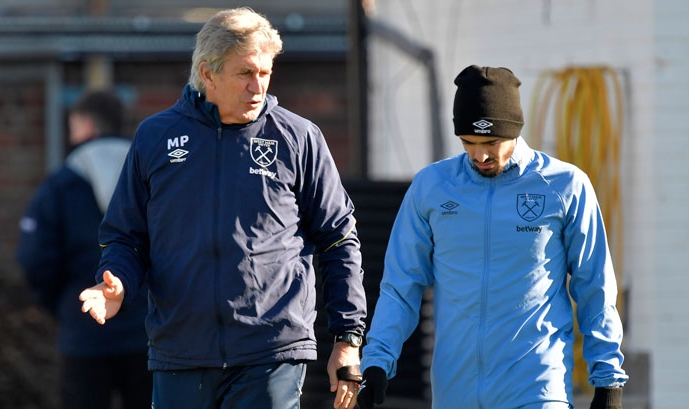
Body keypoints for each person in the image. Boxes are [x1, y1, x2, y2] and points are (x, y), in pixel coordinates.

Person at [77, 8, 367, 409]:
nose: (258, 86)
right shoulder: (155, 138)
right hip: (180, 353)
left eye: (265, 73)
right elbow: (126, 237)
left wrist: (348, 338)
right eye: (245, 73)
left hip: (271, 353)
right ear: (207, 74)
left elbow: (339, 240)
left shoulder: (298, 138)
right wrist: (119, 284)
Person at [357, 66, 628, 409]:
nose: (480, 155)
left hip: (537, 388)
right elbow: (401, 285)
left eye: (491, 142)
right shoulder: (431, 187)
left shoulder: (565, 186)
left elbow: (595, 286)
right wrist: (377, 360)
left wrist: (608, 379)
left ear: (514, 131)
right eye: (468, 143)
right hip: (455, 392)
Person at [17, 90, 151, 409]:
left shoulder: (61, 184)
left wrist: (62, 305)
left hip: (85, 333)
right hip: (150, 332)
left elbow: (34, 258)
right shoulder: (152, 176)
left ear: (86, 125)